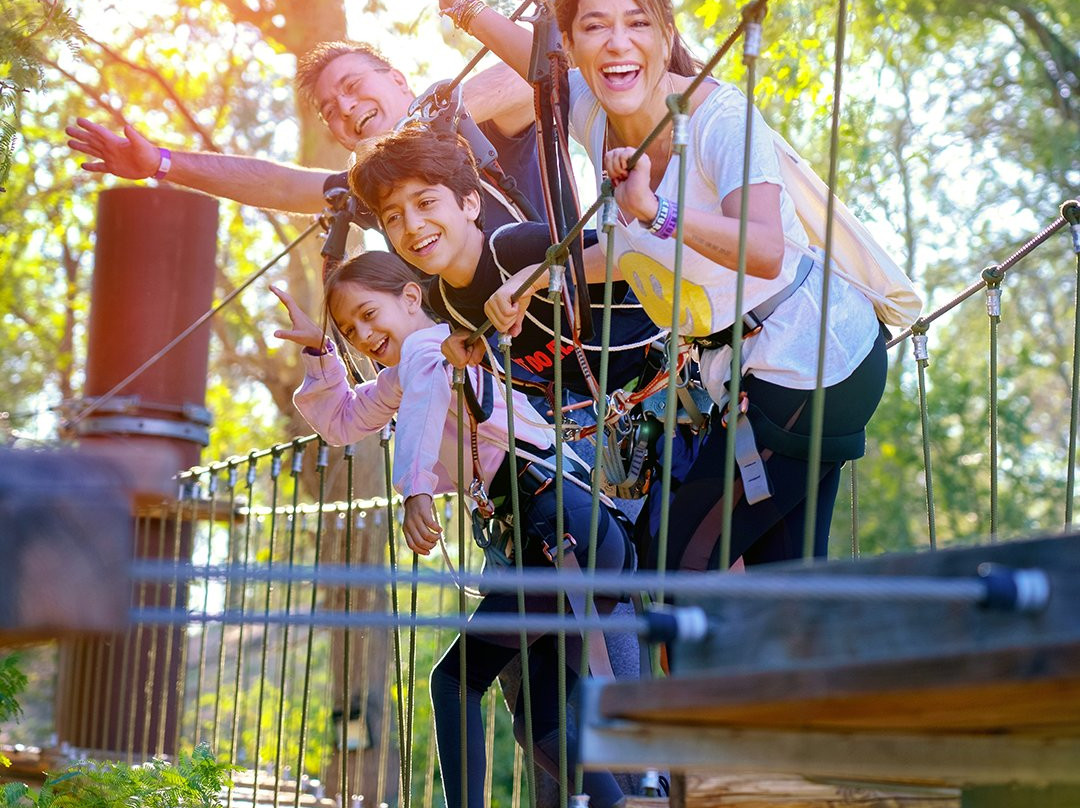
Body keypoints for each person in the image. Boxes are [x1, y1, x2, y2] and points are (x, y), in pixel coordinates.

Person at [450, 0, 888, 569]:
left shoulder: (719, 117)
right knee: (780, 589)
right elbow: (623, 249)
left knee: (676, 566)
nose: (616, 42)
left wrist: (658, 211)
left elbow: (764, 249)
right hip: (751, 367)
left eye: (637, 22)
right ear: (572, 46)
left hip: (812, 355)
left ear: (665, 33)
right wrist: (536, 279)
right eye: (594, 26)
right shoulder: (593, 114)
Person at [271, 250, 631, 808]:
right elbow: (342, 422)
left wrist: (415, 489)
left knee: (454, 681)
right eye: (348, 329)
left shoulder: (434, 347)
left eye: (369, 314)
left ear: (411, 298)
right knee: (543, 728)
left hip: (559, 530)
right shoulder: (408, 373)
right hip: (565, 541)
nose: (362, 334)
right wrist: (320, 353)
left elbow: (422, 398)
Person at [65, 41, 544, 232]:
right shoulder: (368, 187)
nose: (347, 109)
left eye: (353, 87)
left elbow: (527, 77)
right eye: (331, 111)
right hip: (509, 392)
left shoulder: (468, 113)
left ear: (398, 79)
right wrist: (161, 164)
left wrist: (421, 123)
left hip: (600, 333)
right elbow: (276, 184)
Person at [346, 123, 661, 401]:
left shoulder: (515, 247)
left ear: (470, 203)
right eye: (394, 217)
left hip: (665, 364)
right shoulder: (445, 301)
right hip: (613, 410)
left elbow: (636, 253)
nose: (413, 225)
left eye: (426, 202)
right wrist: (470, 344)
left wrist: (532, 278)